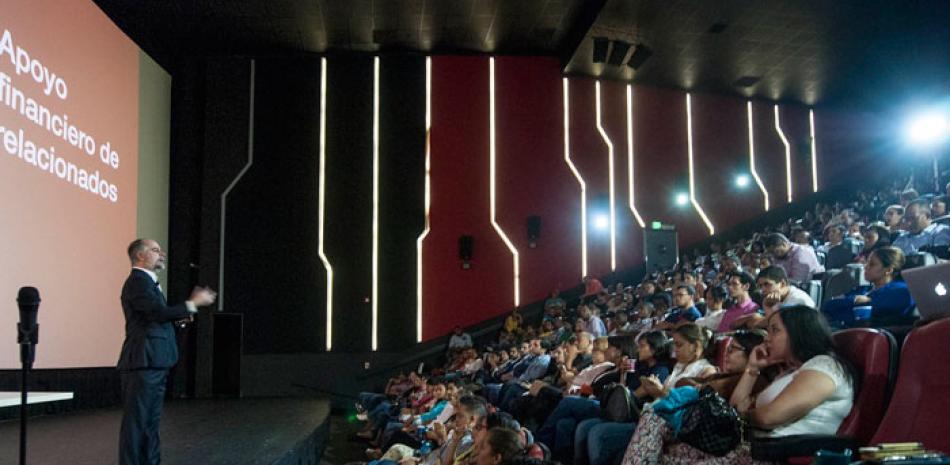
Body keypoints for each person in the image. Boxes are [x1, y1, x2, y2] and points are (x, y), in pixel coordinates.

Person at [622, 306, 856, 465]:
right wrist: (752, 368)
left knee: (657, 423)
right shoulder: (788, 372)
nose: (767, 338)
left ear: (799, 333)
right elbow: (737, 405)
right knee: (659, 430)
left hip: (770, 454)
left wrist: (740, 416)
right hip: (746, 447)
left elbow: (768, 417)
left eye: (775, 331)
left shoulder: (824, 366)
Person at [118, 239, 217, 465]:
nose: (161, 253)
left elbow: (153, 318)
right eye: (155, 250)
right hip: (144, 361)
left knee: (150, 422)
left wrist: (178, 319)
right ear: (140, 256)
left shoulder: (147, 282)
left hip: (155, 360)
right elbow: (157, 313)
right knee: (138, 423)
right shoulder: (138, 281)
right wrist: (193, 303)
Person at [822, 246, 915, 327]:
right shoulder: (863, 289)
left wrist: (849, 304)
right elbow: (829, 305)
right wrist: (855, 300)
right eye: (867, 263)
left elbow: (872, 309)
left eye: (872, 264)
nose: (865, 267)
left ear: (888, 270)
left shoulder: (901, 290)